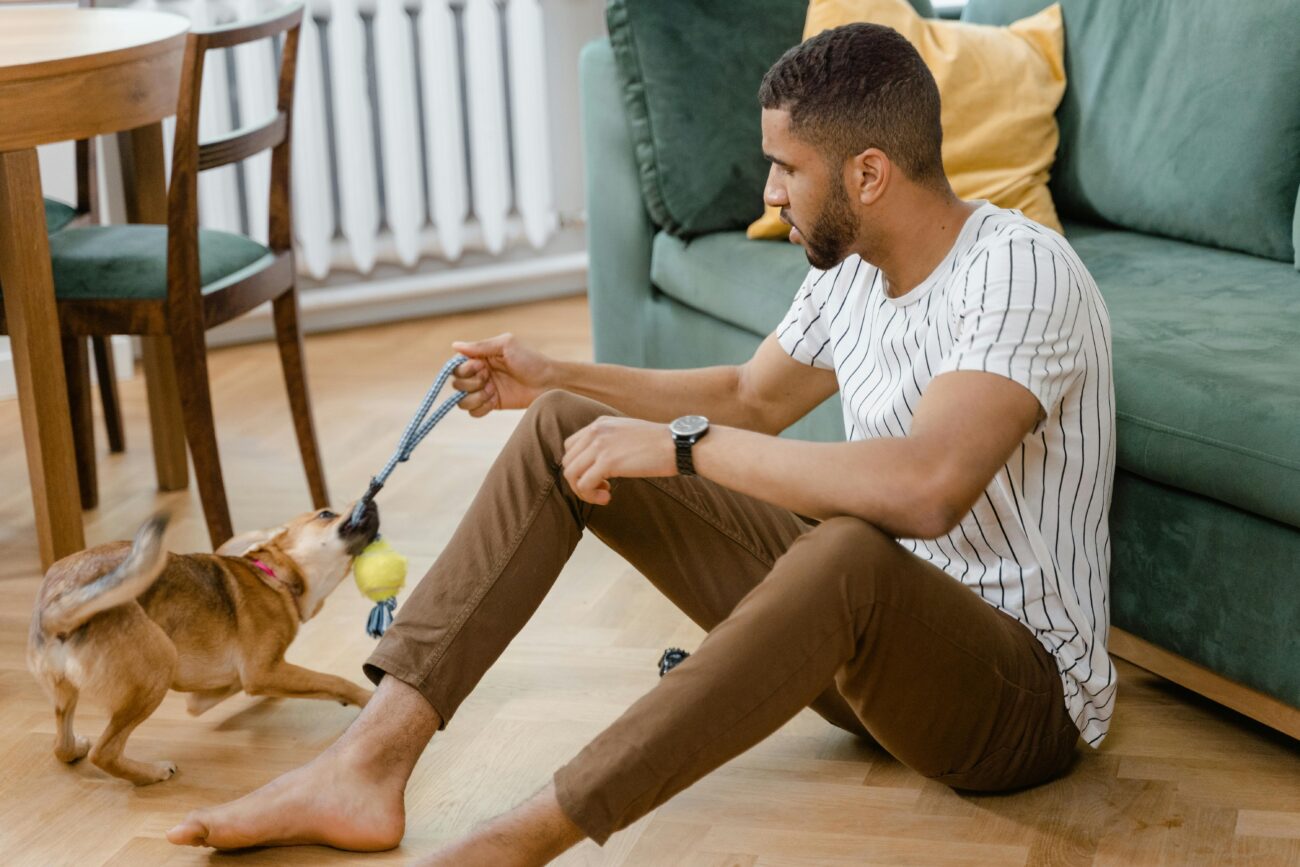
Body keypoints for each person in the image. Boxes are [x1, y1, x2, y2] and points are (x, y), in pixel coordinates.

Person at [167, 21, 1116, 865]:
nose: (769, 190)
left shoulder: (1020, 273)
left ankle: (522, 838)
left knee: (848, 547)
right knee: (561, 433)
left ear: (869, 174)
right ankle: (365, 765)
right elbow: (749, 395)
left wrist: (683, 449)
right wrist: (555, 377)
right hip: (866, 666)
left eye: (789, 169)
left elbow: (926, 487)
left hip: (1016, 702)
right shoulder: (855, 267)